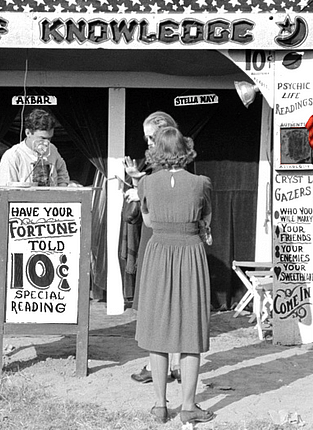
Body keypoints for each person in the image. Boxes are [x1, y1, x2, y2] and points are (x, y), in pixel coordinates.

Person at [134, 126, 214, 424]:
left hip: (158, 253)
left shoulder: (146, 183)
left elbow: (148, 220)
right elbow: (205, 218)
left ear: (156, 153)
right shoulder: (201, 183)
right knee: (190, 331)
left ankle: (159, 406)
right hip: (189, 253)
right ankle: (189, 406)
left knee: (158, 330)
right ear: (186, 151)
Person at [123, 111, 182, 384]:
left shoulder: (166, 169)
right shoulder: (169, 167)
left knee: (157, 302)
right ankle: (175, 363)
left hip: (159, 238)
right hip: (173, 240)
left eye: (150, 137)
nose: (147, 143)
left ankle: (158, 365)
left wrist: (141, 189)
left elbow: (157, 207)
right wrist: (138, 180)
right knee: (172, 301)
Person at [0, 108, 74, 187]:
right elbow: (7, 189)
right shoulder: (13, 156)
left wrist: (61, 188)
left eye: (49, 138)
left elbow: (62, 173)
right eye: (42, 138)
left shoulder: (52, 149)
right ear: (28, 133)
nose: (46, 143)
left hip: (51, 198)